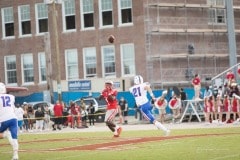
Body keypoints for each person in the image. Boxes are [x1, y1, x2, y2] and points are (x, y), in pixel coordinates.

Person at [0, 82, 19, 160]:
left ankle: (5, 135)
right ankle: (15, 156)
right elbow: (13, 108)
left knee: (5, 135)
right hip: (13, 119)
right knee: (14, 138)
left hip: (3, 120)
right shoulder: (11, 97)